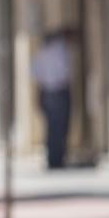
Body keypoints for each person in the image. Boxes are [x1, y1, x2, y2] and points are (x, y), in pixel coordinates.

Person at [33, 29, 72, 170]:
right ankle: (58, 158)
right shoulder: (61, 51)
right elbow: (65, 74)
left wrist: (38, 97)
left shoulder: (41, 54)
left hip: (47, 92)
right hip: (60, 91)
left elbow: (37, 78)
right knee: (61, 127)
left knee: (51, 127)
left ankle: (52, 159)